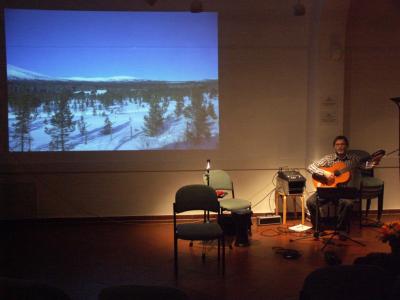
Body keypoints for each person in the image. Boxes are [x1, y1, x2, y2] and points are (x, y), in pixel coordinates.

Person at [306, 135, 381, 235]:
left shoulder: (354, 159)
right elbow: (310, 167)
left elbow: (365, 166)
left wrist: (373, 163)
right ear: (334, 147)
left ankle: (341, 229)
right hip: (328, 189)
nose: (340, 147)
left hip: (345, 190)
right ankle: (319, 228)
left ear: (347, 146)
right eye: (337, 144)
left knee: (348, 203)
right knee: (310, 201)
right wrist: (325, 173)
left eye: (342, 144)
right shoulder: (329, 158)